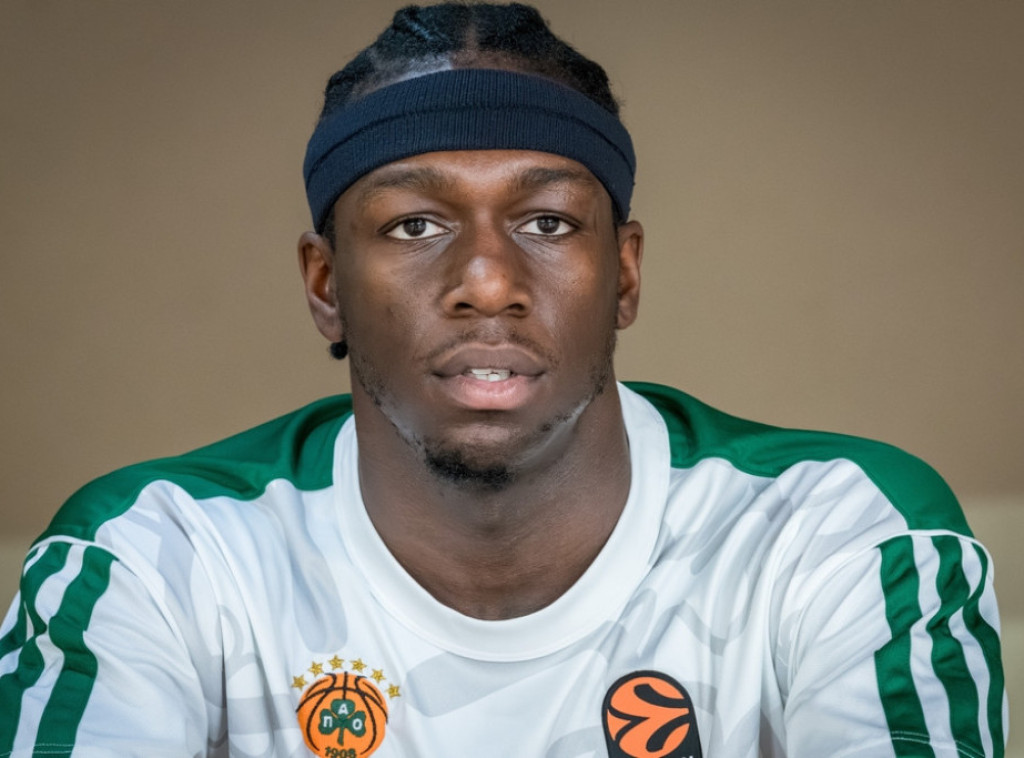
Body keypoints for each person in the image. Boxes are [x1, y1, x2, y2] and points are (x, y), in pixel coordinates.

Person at [0, 3, 1006, 756]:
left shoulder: (840, 536)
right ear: (325, 286)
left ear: (623, 274)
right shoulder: (155, 558)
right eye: (414, 225)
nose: (487, 281)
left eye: (548, 221)